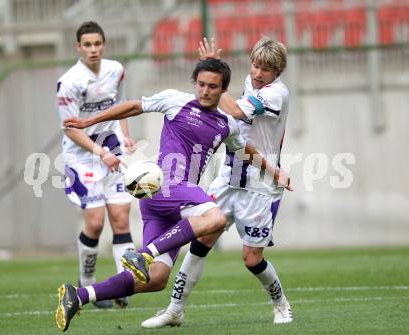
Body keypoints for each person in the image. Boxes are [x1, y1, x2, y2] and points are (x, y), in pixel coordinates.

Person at [55, 57, 292, 332]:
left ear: (223, 89)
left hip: (171, 203)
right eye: (201, 84)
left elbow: (245, 149)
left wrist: (275, 172)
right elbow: (134, 106)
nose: (205, 91)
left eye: (212, 87)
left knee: (156, 279)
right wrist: (88, 121)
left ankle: (78, 295)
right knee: (214, 219)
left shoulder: (226, 124)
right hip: (165, 187)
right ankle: (144, 254)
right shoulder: (175, 100)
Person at [141, 36, 293, 328]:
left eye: (266, 69)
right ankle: (175, 309)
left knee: (251, 259)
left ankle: (281, 304)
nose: (258, 73)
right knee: (201, 241)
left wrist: (213, 75)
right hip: (228, 178)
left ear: (277, 72)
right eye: (256, 65)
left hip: (259, 187)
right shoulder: (252, 84)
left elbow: (234, 112)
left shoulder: (276, 94)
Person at [56, 21, 136, 309]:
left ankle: (124, 284)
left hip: (112, 150)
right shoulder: (69, 82)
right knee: (95, 221)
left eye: (97, 43)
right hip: (82, 155)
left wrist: (125, 136)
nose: (93, 49)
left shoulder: (116, 70)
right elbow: (71, 129)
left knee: (121, 218)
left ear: (104, 44)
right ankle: (87, 284)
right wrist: (101, 152)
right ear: (78, 47)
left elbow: (123, 104)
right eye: (87, 44)